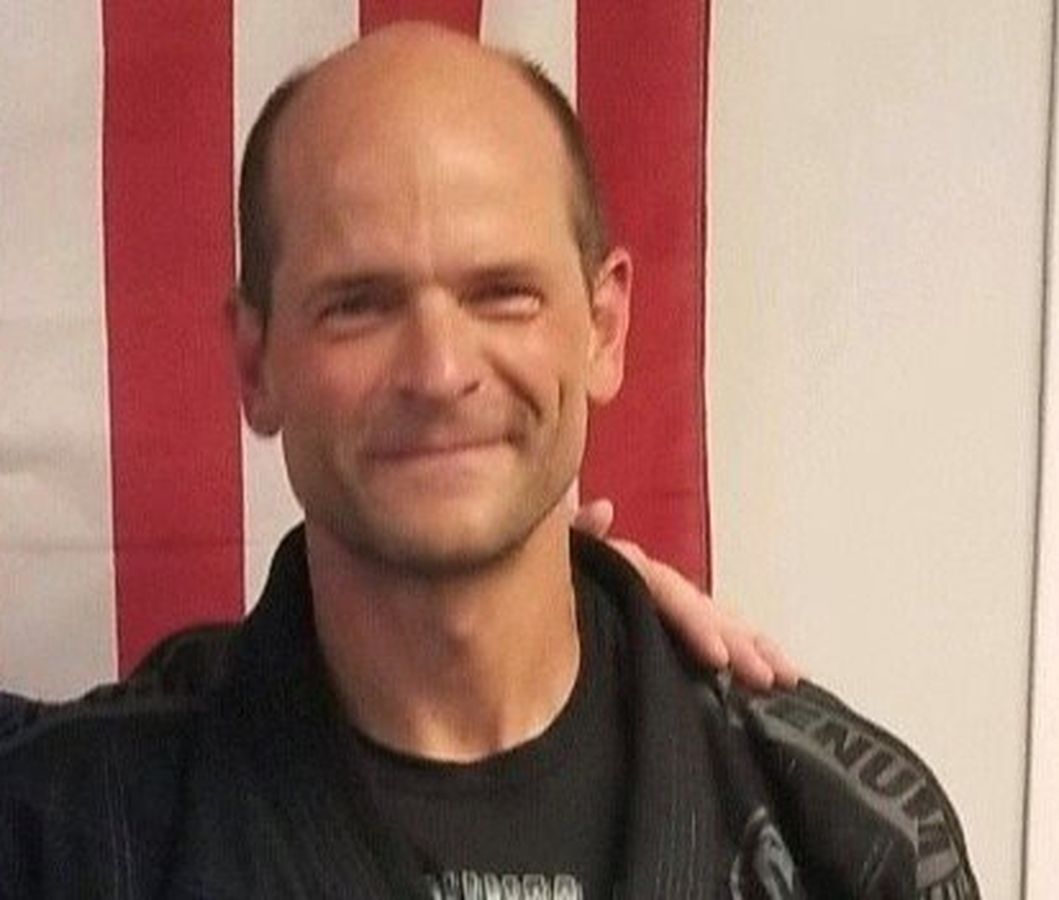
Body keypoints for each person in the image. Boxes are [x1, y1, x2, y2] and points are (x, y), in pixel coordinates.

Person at [0, 23, 977, 899]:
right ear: (256, 365)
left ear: (603, 329)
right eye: (359, 304)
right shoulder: (65, 830)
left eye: (503, 293)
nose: (439, 372)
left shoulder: (846, 838)